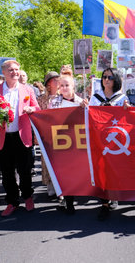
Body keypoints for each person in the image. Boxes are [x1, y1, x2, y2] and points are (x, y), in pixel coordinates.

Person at [0, 60, 40, 217]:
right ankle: (12, 201)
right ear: (3, 72)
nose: (15, 72)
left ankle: (28, 197)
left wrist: (32, 109)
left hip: (22, 135)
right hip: (3, 137)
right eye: (11, 70)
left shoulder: (27, 89)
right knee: (7, 172)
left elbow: (37, 108)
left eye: (17, 69)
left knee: (25, 170)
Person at [88, 68, 129, 220]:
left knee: (114, 170)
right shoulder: (95, 97)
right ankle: (104, 203)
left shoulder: (122, 98)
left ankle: (114, 195)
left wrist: (127, 109)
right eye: (104, 77)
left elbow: (126, 120)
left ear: (116, 79)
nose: (106, 79)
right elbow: (89, 115)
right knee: (102, 170)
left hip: (116, 141)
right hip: (99, 139)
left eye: (110, 77)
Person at [49, 75, 87, 214]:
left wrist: (85, 108)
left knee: (77, 171)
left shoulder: (81, 102)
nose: (64, 88)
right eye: (62, 86)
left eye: (67, 85)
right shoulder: (54, 102)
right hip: (61, 143)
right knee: (64, 173)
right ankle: (69, 202)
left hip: (78, 143)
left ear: (73, 87)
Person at [37, 71, 60, 198]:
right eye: (54, 80)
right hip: (46, 134)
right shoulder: (40, 99)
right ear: (49, 84)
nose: (58, 82)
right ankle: (50, 183)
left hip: (62, 133)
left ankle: (61, 183)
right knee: (47, 159)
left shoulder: (64, 97)